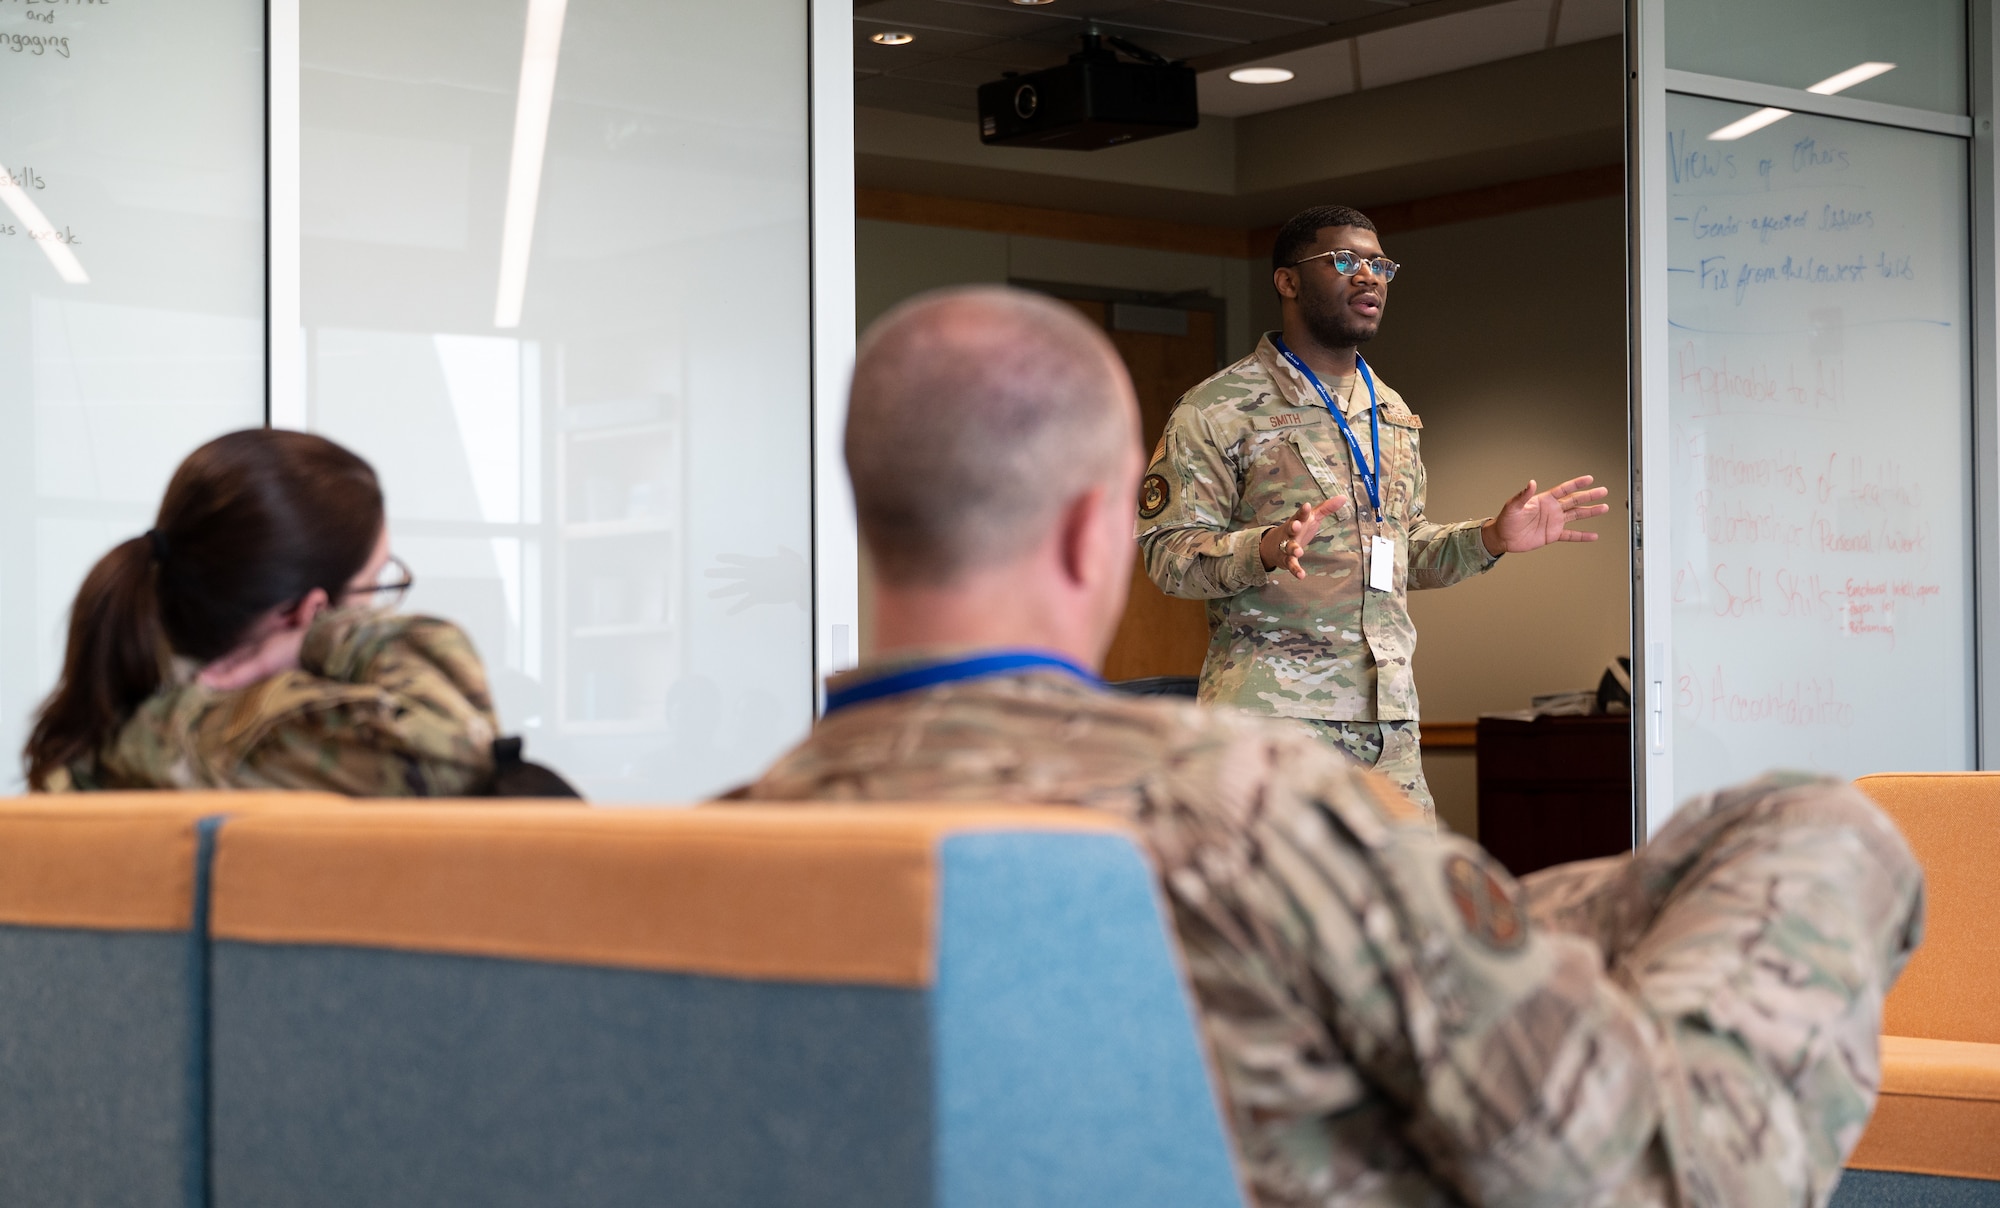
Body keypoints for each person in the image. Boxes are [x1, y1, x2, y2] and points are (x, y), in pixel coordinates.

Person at [731, 286, 1924, 1207]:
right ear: (1095, 525)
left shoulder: (730, 843)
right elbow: (1607, 1168)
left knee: (1539, 908)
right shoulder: (1247, 811)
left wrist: (1493, 539)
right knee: (1811, 827)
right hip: (1308, 792)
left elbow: (1403, 554)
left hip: (1368, 757)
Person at [1137, 205, 1611, 821]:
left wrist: (1491, 538)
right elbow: (1166, 554)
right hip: (1270, 725)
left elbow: (1402, 550)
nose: (1369, 277)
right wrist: (1263, 548)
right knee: (1285, 913)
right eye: (1344, 261)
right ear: (1287, 281)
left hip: (1388, 724)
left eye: (1380, 264)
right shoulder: (1217, 409)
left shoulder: (1390, 410)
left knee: (1410, 906)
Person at [24, 429, 501, 796]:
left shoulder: (129, 720)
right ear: (312, 610)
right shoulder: (248, 730)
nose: (377, 609)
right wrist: (327, 638)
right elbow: (459, 751)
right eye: (376, 585)